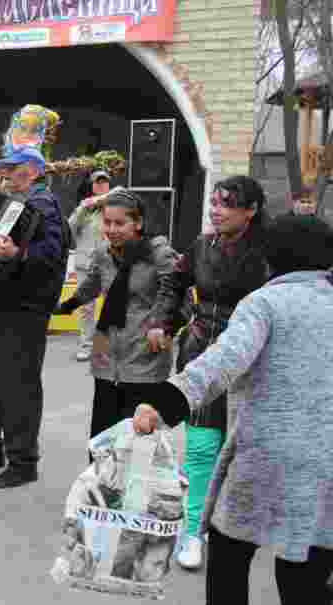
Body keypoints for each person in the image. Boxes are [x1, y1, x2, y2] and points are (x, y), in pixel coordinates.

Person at [133, 214, 333, 605]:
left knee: (229, 553)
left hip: (267, 456)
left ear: (271, 259)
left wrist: (164, 402)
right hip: (327, 463)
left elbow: (221, 363)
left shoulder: (264, 304)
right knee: (308, 563)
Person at [145, 175, 270, 571]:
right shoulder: (201, 246)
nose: (215, 210)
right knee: (200, 448)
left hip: (252, 362)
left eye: (226, 203)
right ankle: (193, 531)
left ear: (250, 210)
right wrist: (163, 323)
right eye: (214, 202)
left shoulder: (271, 251)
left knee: (241, 451)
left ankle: (238, 528)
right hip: (201, 352)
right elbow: (174, 284)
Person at [0, 146, 69, 488]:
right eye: (3, 168)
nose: (4, 174)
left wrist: (18, 253)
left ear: (33, 172)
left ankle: (23, 462)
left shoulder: (44, 206)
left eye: (13, 168)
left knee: (18, 386)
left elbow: (53, 254)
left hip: (23, 310)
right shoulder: (4, 203)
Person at [55, 190, 177, 453]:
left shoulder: (158, 253)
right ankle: (98, 490)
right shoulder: (103, 253)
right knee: (101, 440)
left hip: (144, 355)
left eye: (119, 223)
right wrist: (63, 307)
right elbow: (91, 286)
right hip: (106, 353)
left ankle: (133, 492)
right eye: (107, 222)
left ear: (138, 223)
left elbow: (178, 294)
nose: (111, 229)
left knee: (136, 443)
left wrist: (162, 325)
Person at [67, 171, 116, 361]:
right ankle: (86, 345)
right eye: (98, 182)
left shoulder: (115, 206)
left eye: (105, 182)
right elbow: (69, 229)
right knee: (86, 308)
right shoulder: (85, 207)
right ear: (92, 185)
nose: (102, 185)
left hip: (110, 264)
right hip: (86, 265)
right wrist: (85, 207)